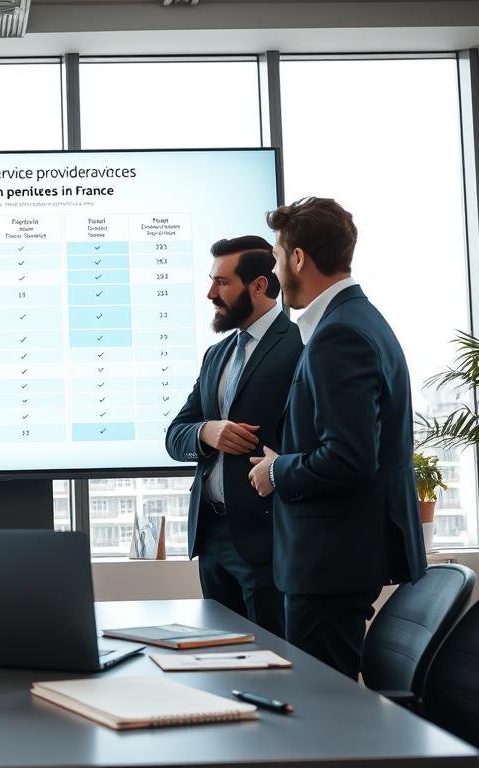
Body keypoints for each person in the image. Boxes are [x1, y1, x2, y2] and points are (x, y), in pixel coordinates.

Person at [247, 196, 426, 679]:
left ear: (299, 258)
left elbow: (347, 457)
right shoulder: (355, 319)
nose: (277, 267)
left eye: (279, 256)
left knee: (324, 715)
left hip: (328, 565)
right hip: (336, 559)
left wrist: (275, 469)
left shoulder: (338, 334)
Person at [166, 236, 302, 637]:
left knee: (274, 663)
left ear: (258, 286)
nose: (211, 294)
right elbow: (176, 434)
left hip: (268, 539)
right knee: (219, 663)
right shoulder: (216, 355)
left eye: (222, 283)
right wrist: (208, 431)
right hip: (211, 539)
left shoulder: (300, 344)